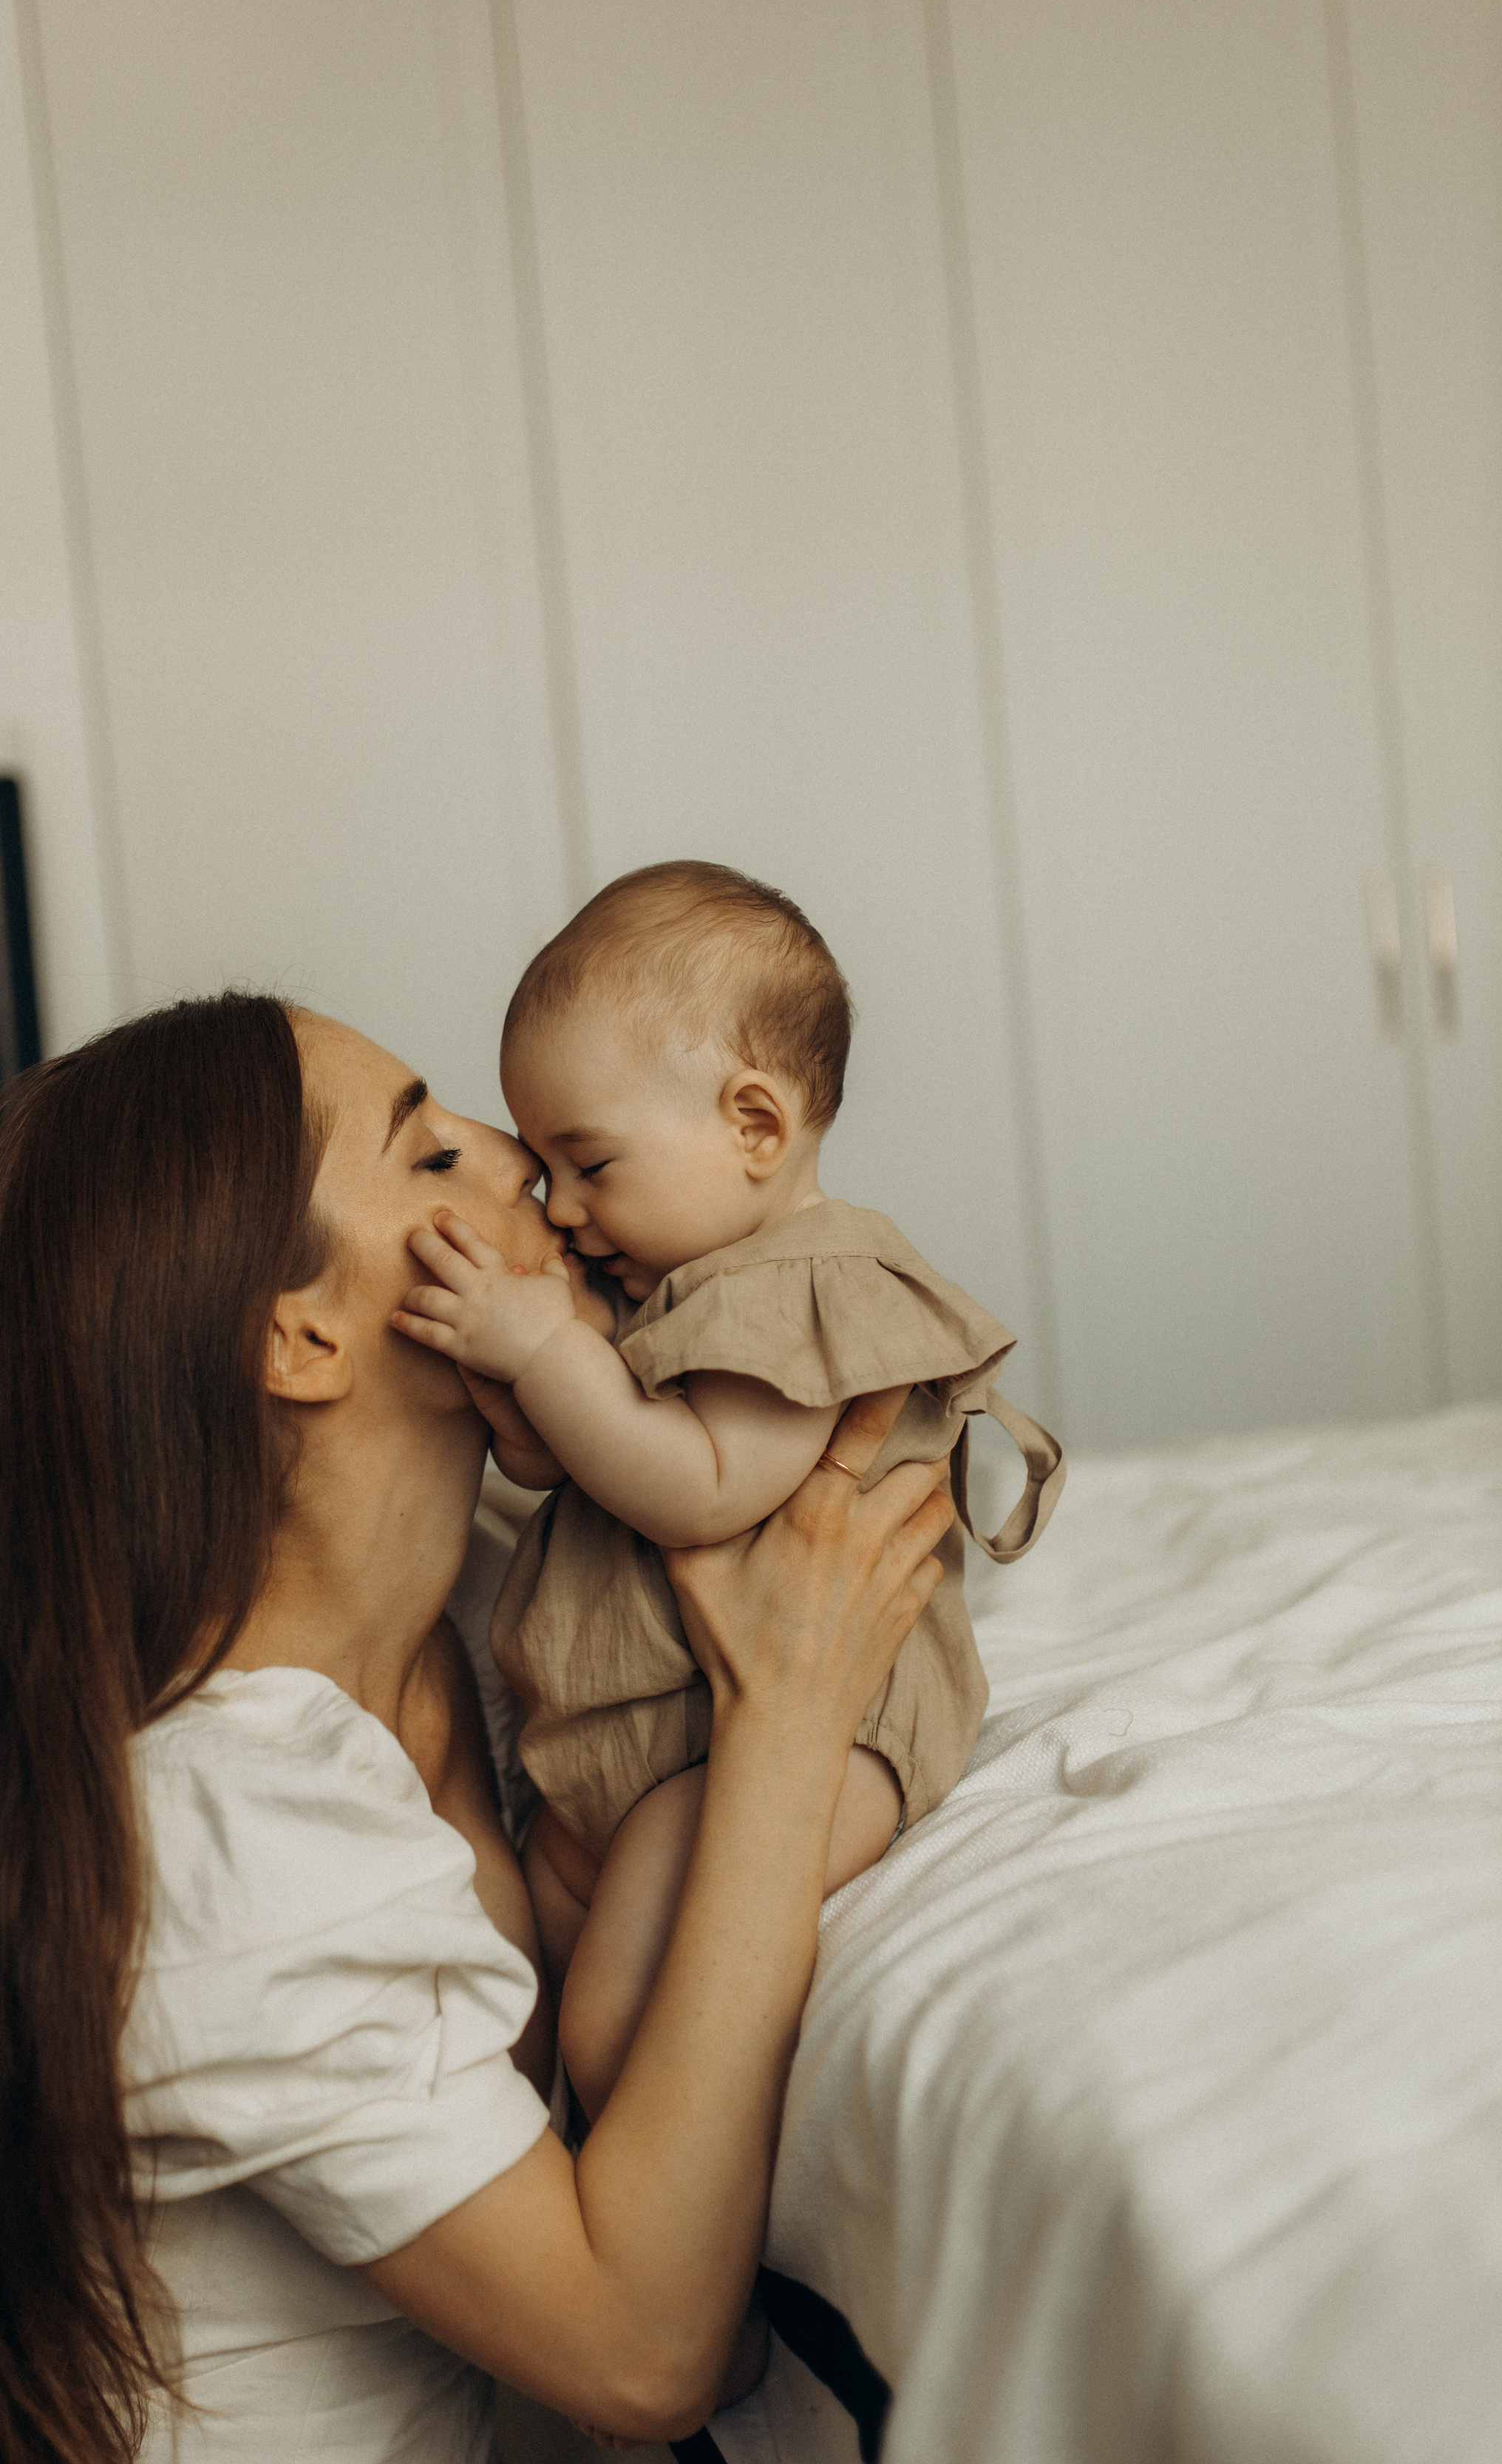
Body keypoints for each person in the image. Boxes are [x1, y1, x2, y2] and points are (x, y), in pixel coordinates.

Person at [0, 988, 954, 2464]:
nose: (510, 1159)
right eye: (429, 1144)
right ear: (303, 1342)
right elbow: (640, 2351)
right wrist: (787, 1731)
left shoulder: (466, 1618)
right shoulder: (226, 1834)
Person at [393, 863, 1062, 2125]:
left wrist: (549, 1354)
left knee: (612, 2024)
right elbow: (581, 1472)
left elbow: (696, 1487)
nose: (566, 1209)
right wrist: (518, 1404)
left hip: (799, 1731)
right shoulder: (668, 1288)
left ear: (756, 1126)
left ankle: (689, 2255)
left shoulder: (804, 1287)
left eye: (587, 1164)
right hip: (645, 1739)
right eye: (546, 1168)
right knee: (539, 1969)